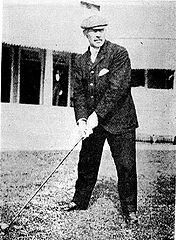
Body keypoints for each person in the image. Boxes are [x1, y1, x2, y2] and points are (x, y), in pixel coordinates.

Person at [66, 15, 139, 225]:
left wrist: (95, 116)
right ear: (85, 34)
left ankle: (130, 210)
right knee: (87, 162)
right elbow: (78, 94)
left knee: (125, 166)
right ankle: (79, 201)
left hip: (120, 121)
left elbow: (118, 89)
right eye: (94, 31)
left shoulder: (119, 54)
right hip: (92, 121)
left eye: (102, 30)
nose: (98, 35)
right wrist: (81, 120)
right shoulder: (80, 61)